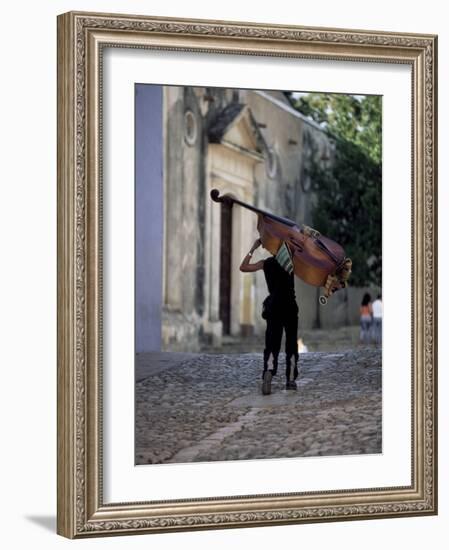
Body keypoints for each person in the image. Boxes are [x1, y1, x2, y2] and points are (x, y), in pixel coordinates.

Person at [240, 238, 299, 395]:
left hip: (274, 307)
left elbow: (243, 267)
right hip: (290, 306)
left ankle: (269, 372)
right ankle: (291, 378)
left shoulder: (266, 264)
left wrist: (253, 247)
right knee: (291, 344)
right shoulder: (292, 263)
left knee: (272, 344)